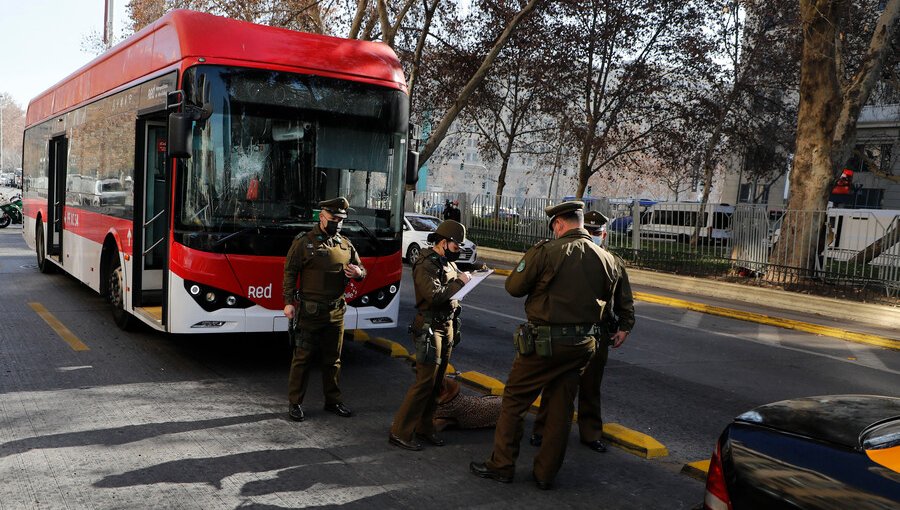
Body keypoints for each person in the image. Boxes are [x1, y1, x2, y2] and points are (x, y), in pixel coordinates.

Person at [470, 201, 620, 490]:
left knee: (514, 401)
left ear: (559, 224)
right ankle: (545, 474)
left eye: (554, 225)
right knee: (561, 411)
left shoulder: (547, 251)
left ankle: (501, 465)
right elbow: (609, 309)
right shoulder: (608, 259)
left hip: (544, 344)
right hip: (582, 345)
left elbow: (514, 288)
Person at [530, 210, 635, 453]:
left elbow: (624, 299)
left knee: (591, 386)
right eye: (591, 231)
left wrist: (625, 327)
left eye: (598, 232)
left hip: (598, 333)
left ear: (605, 235)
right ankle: (542, 429)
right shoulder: (566, 255)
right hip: (566, 332)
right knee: (556, 384)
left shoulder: (612, 261)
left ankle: (590, 433)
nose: (595, 236)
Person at [389, 220, 471, 450]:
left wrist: (465, 282)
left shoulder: (446, 262)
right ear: (443, 243)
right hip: (429, 327)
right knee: (424, 382)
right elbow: (434, 295)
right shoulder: (425, 264)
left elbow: (451, 291)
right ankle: (399, 431)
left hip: (446, 326)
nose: (458, 251)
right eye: (456, 246)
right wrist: (459, 283)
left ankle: (424, 427)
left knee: (436, 384)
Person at [283, 197, 366, 422]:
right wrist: (289, 302)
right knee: (303, 358)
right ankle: (295, 403)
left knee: (333, 360)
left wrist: (358, 274)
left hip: (336, 312)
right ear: (322, 217)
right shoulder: (304, 242)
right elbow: (290, 272)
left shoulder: (346, 245)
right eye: (333, 218)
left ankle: (333, 401)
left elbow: (362, 269)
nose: (337, 223)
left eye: (341, 220)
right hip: (310, 311)